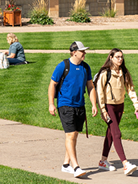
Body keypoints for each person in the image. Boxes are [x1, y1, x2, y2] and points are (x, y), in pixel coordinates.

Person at [48, 41, 99, 179]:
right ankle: (76, 167)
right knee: (70, 135)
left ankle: (66, 165)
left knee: (74, 135)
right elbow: (52, 85)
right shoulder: (63, 66)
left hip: (80, 105)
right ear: (74, 52)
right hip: (65, 104)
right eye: (82, 51)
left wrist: (94, 104)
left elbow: (90, 87)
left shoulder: (85, 67)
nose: (85, 53)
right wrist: (51, 103)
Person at [95, 48, 138, 176]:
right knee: (116, 133)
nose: (120, 59)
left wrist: (136, 105)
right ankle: (125, 164)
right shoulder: (105, 73)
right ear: (111, 57)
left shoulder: (124, 72)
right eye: (117, 57)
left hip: (120, 106)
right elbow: (99, 93)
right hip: (108, 106)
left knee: (110, 133)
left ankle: (103, 161)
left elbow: (130, 89)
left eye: (121, 57)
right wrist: (103, 110)